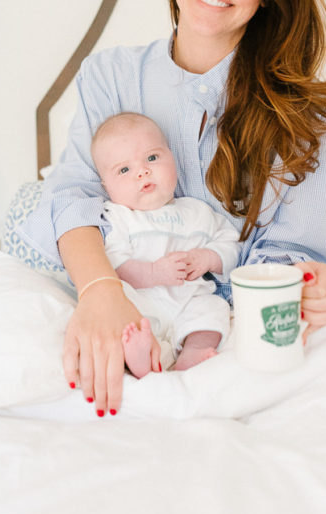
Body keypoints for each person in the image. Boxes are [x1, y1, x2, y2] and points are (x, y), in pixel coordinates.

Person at [19, 0, 326, 417]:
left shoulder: (306, 110)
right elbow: (73, 194)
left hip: (234, 333)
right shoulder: (111, 76)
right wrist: (102, 291)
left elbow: (293, 251)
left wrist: (312, 283)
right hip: (118, 300)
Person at [90, 111, 239, 377]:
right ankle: (142, 355)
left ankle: (193, 353)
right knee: (126, 320)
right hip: (143, 300)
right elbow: (115, 265)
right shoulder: (117, 217)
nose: (142, 171)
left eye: (152, 157)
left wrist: (207, 257)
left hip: (188, 299)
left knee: (214, 308)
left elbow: (230, 243)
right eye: (124, 169)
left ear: (172, 158)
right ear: (106, 184)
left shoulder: (197, 211)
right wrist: (154, 273)